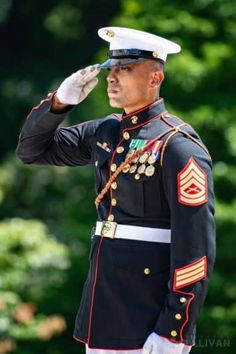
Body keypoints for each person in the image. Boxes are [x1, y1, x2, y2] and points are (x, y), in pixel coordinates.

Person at [16, 27, 216, 354]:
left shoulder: (177, 146)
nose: (113, 78)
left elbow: (195, 249)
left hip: (149, 315)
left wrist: (173, 329)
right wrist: (60, 103)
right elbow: (31, 151)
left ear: (155, 79)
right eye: (112, 69)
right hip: (102, 307)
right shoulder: (107, 131)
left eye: (126, 69)